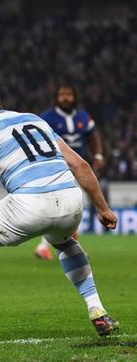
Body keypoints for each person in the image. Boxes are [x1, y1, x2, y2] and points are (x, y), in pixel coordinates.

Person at [0, 73, 119, 345]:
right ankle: (98, 311)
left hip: (30, 203)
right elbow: (80, 166)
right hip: (72, 199)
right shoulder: (34, 119)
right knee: (64, 241)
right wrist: (103, 208)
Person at [34, 83, 106, 260]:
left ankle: (57, 246)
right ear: (56, 98)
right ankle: (56, 246)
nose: (65, 98)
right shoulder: (46, 118)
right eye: (62, 94)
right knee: (68, 206)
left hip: (77, 168)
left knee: (74, 206)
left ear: (75, 97)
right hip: (55, 169)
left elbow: (93, 136)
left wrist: (98, 155)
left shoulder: (82, 117)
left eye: (69, 94)